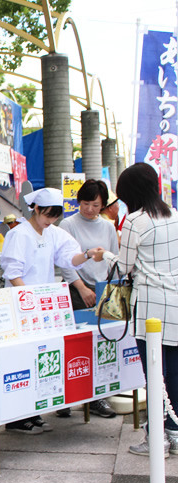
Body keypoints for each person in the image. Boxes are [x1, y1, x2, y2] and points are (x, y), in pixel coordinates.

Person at [1, 187, 105, 433]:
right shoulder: (19, 234)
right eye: (47, 215)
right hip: (22, 305)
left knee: (38, 359)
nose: (50, 221)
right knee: (21, 361)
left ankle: (32, 412)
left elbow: (70, 259)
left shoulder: (54, 233)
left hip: (42, 309)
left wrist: (89, 254)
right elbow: (13, 273)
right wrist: (30, 299)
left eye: (54, 216)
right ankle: (17, 417)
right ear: (35, 209)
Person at [100, 163, 178, 457]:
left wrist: (103, 254)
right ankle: (175, 432)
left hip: (149, 308)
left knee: (155, 372)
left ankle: (156, 439)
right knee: (176, 372)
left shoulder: (134, 221)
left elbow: (124, 266)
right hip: (176, 304)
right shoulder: (174, 216)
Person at [58, 179, 119, 419]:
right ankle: (68, 397)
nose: (89, 209)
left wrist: (110, 288)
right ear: (78, 202)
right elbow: (65, 261)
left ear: (103, 205)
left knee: (100, 344)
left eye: (95, 205)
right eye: (85, 203)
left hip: (103, 289)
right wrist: (81, 288)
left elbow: (114, 259)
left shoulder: (108, 227)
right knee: (75, 345)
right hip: (76, 289)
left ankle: (97, 398)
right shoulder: (68, 224)